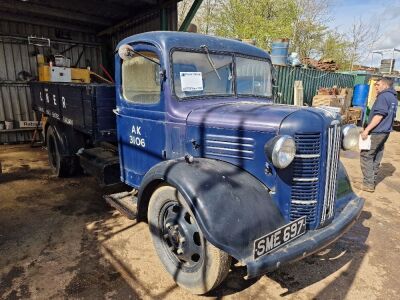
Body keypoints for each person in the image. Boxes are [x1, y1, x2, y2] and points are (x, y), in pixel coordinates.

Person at [357, 77, 398, 192]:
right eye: (375, 85)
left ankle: (368, 183)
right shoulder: (393, 98)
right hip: (385, 132)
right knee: (376, 155)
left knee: (366, 155)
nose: (375, 87)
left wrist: (366, 130)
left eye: (378, 84)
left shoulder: (383, 96)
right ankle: (372, 179)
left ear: (385, 85)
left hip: (377, 131)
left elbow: (379, 116)